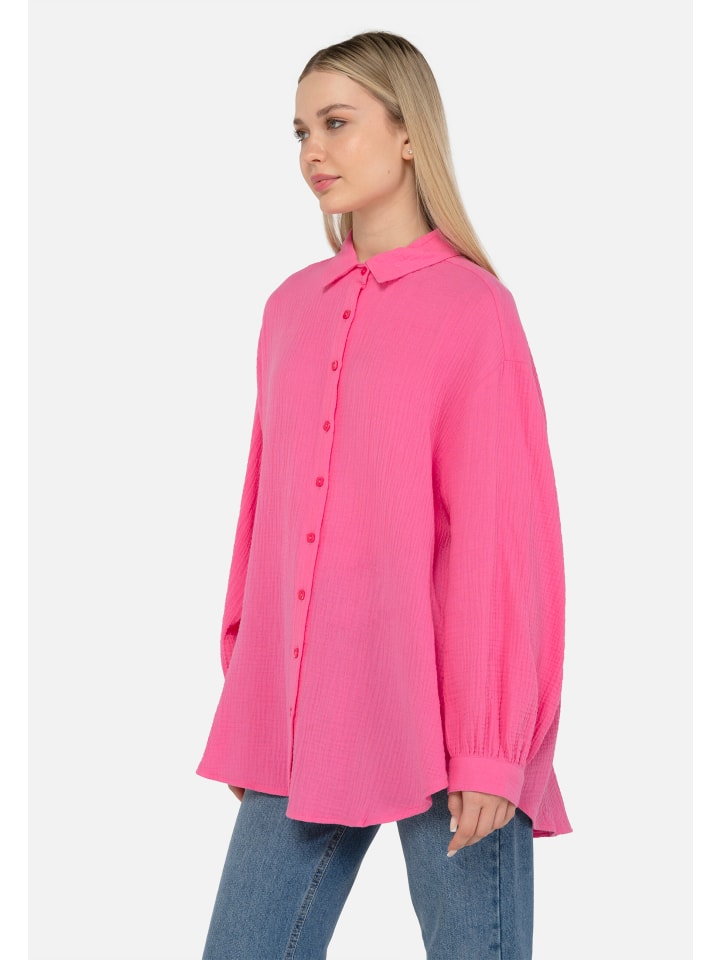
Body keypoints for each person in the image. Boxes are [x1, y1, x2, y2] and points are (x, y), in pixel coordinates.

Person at [197, 30, 571, 960]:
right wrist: (253, 694)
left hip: (448, 721)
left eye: (336, 123)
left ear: (408, 134)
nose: (312, 152)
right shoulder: (290, 307)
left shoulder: (474, 310)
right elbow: (263, 511)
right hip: (306, 709)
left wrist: (492, 747)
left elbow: (501, 541)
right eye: (300, 132)